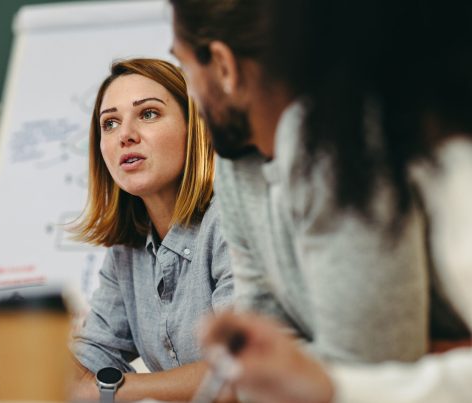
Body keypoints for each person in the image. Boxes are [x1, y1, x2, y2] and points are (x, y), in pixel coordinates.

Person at [170, 0, 472, 401]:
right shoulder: (236, 164)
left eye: (184, 68)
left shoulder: (343, 138)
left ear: (224, 66)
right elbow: (265, 344)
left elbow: (375, 360)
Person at [0, 58, 234, 402]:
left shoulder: (233, 223)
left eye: (149, 114)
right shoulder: (128, 250)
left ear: (195, 127)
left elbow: (243, 370)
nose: (125, 135)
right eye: (110, 123)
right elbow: (93, 360)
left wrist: (98, 388)